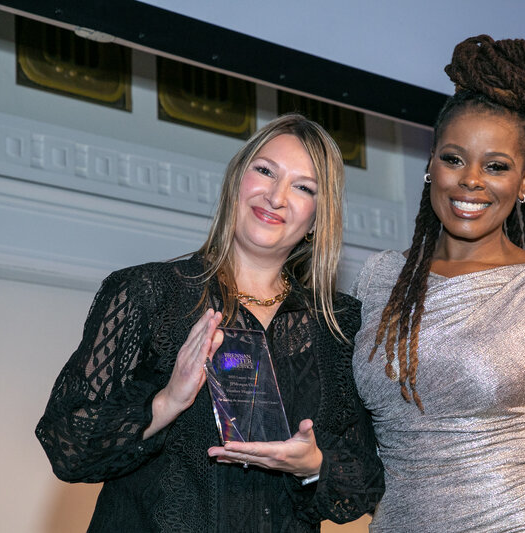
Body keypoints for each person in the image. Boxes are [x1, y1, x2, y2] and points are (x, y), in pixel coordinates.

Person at [36, 114, 384, 532]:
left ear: (316, 219)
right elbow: (69, 446)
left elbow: (367, 484)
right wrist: (167, 401)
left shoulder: (340, 326)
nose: (275, 196)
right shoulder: (148, 293)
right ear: (237, 181)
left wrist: (313, 463)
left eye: (303, 187)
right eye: (265, 170)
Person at [351, 36, 525, 532]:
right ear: (430, 165)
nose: (472, 180)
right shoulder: (378, 279)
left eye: (497, 166)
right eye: (453, 158)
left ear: (524, 182)